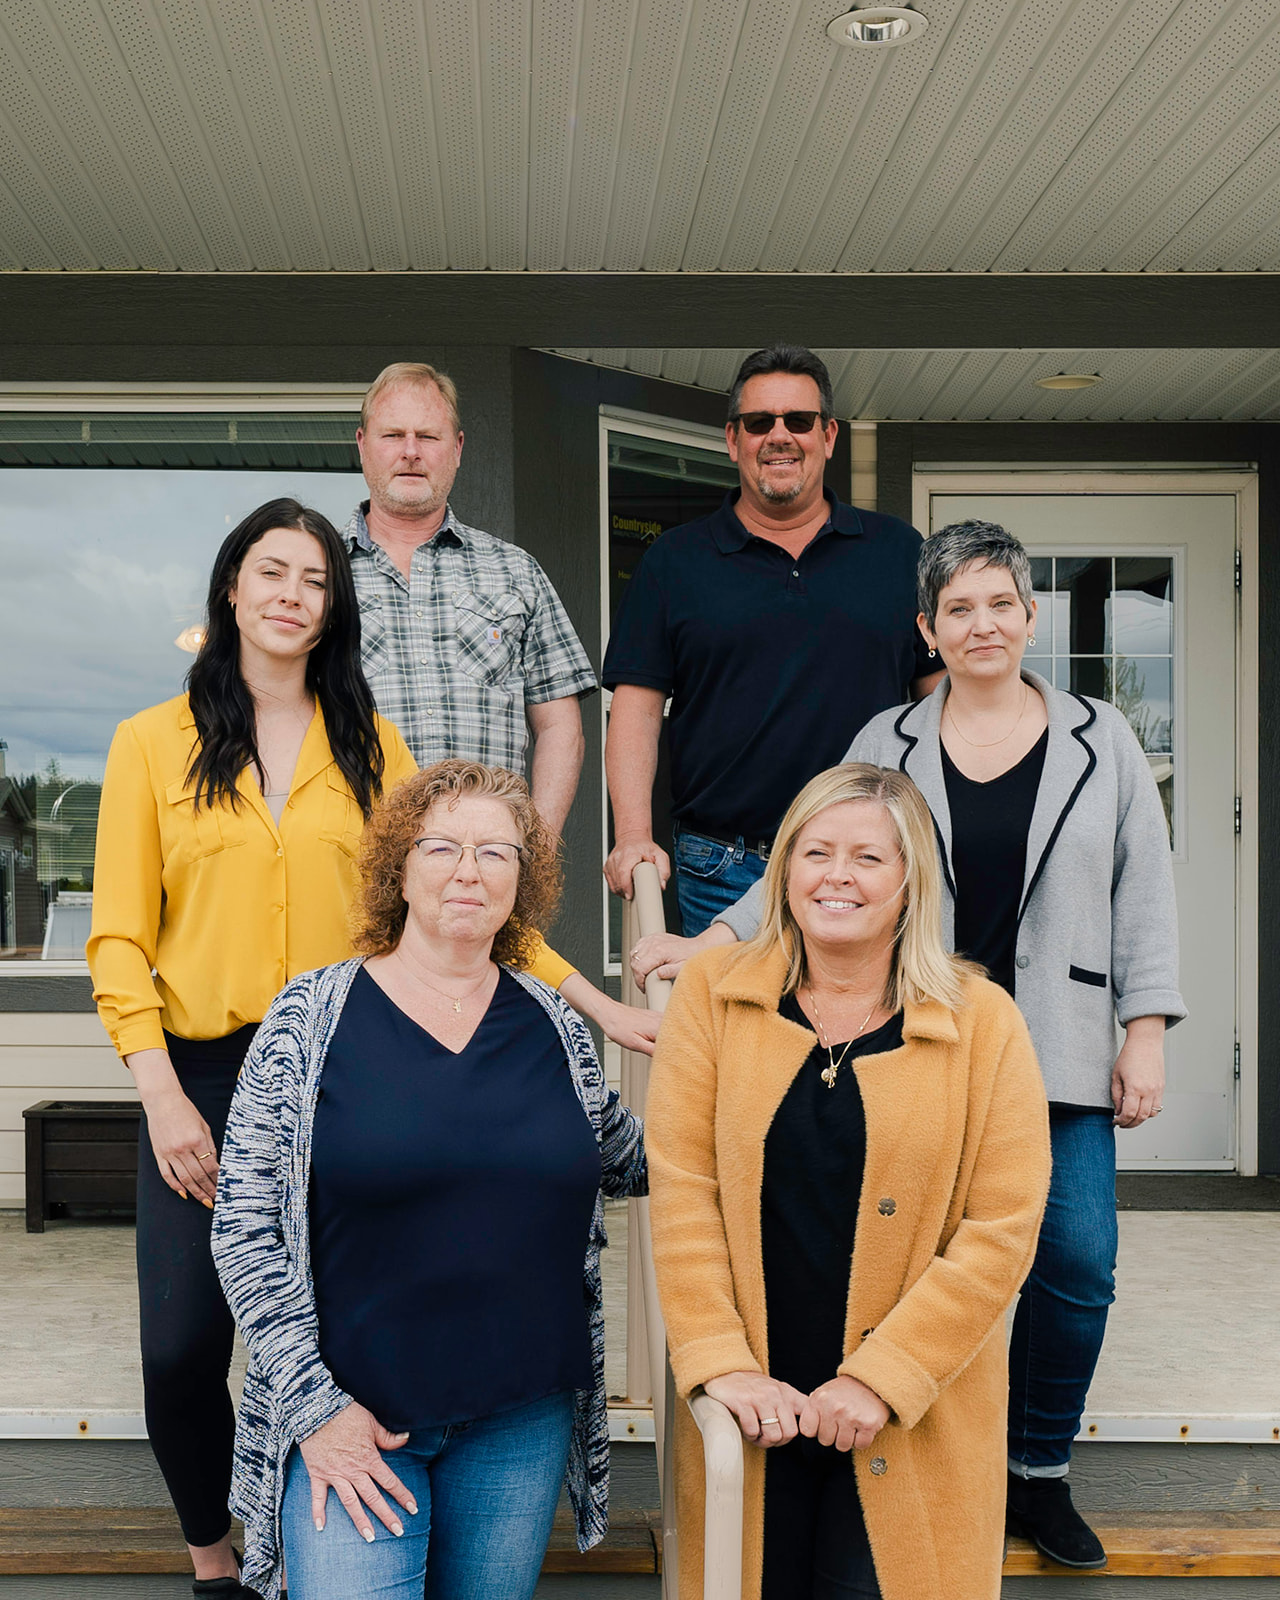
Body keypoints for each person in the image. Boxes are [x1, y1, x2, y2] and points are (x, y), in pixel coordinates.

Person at [640, 521, 1186, 1570]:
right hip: (910, 1021)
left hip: (1049, 1035)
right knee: (889, 1245)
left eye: (999, 604)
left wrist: (1144, 1031)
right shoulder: (885, 737)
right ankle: (900, 1436)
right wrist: (706, 937)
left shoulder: (1099, 735)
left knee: (1071, 1261)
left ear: (1027, 616)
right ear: (927, 629)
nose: (980, 624)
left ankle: (1034, 1468)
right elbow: (818, 849)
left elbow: (1142, 890)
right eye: (957, 608)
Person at [210, 761, 647, 1600]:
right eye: (441, 846)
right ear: (397, 869)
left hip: (520, 1415)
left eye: (496, 852)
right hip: (355, 1416)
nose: (467, 870)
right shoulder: (308, 1019)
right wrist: (317, 1412)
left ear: (523, 880)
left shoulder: (558, 1026)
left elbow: (624, 1158)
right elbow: (244, 1230)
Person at [87, 499, 420, 1596]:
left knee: (341, 1331)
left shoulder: (374, 749)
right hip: (202, 1079)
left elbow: (461, 901)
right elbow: (120, 936)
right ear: (232, 588)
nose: (289, 593)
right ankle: (215, 1559)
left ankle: (322, 1539)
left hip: (347, 1079)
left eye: (314, 579)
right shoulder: (151, 741)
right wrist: (160, 1094)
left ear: (332, 610)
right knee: (182, 1344)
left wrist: (600, 1009)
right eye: (269, 571)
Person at [645, 764, 1050, 1600]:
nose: (836, 876)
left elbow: (1003, 1226)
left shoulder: (984, 1022)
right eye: (815, 852)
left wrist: (883, 1377)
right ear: (784, 868)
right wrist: (721, 1362)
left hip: (912, 1414)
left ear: (910, 882)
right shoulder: (712, 998)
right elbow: (684, 1193)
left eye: (867, 858)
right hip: (755, 1402)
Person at [348, 359, 655, 1053]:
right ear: (362, 444)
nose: (410, 451)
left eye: (428, 436)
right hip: (354, 876)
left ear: (457, 450)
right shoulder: (320, 575)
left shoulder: (513, 572)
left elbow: (559, 726)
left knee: (487, 1048)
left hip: (479, 881)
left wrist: (529, 845)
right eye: (393, 434)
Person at [601, 343, 941, 935]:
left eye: (799, 421)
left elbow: (943, 706)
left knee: (864, 1029)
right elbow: (636, 711)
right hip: (722, 869)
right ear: (733, 440)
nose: (778, 436)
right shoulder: (675, 562)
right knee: (733, 1031)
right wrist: (632, 836)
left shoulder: (899, 553)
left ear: (828, 436)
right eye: (759, 423)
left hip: (867, 864)